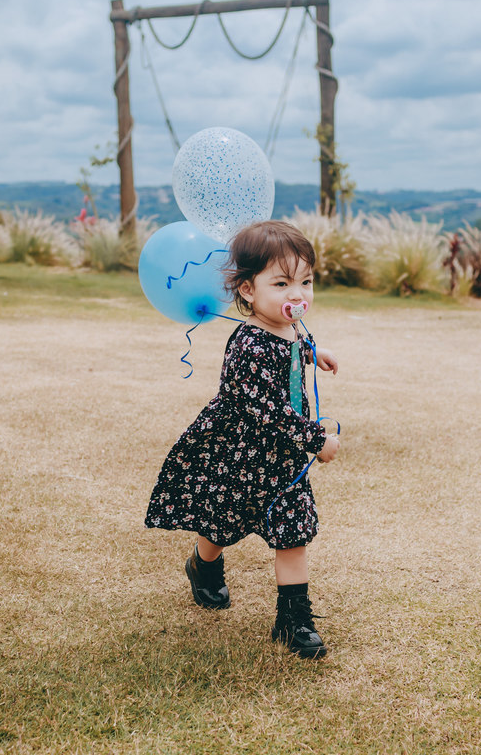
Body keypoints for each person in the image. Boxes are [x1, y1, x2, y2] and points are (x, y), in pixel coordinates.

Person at [145, 220, 341, 659]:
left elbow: (289, 345)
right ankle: (204, 564)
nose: (298, 294)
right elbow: (265, 412)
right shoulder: (248, 345)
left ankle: (294, 620)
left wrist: (313, 352)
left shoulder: (288, 328)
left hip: (282, 462)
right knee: (222, 522)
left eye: (306, 281)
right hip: (242, 454)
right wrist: (315, 439)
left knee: (292, 532)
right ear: (249, 290)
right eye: (282, 282)